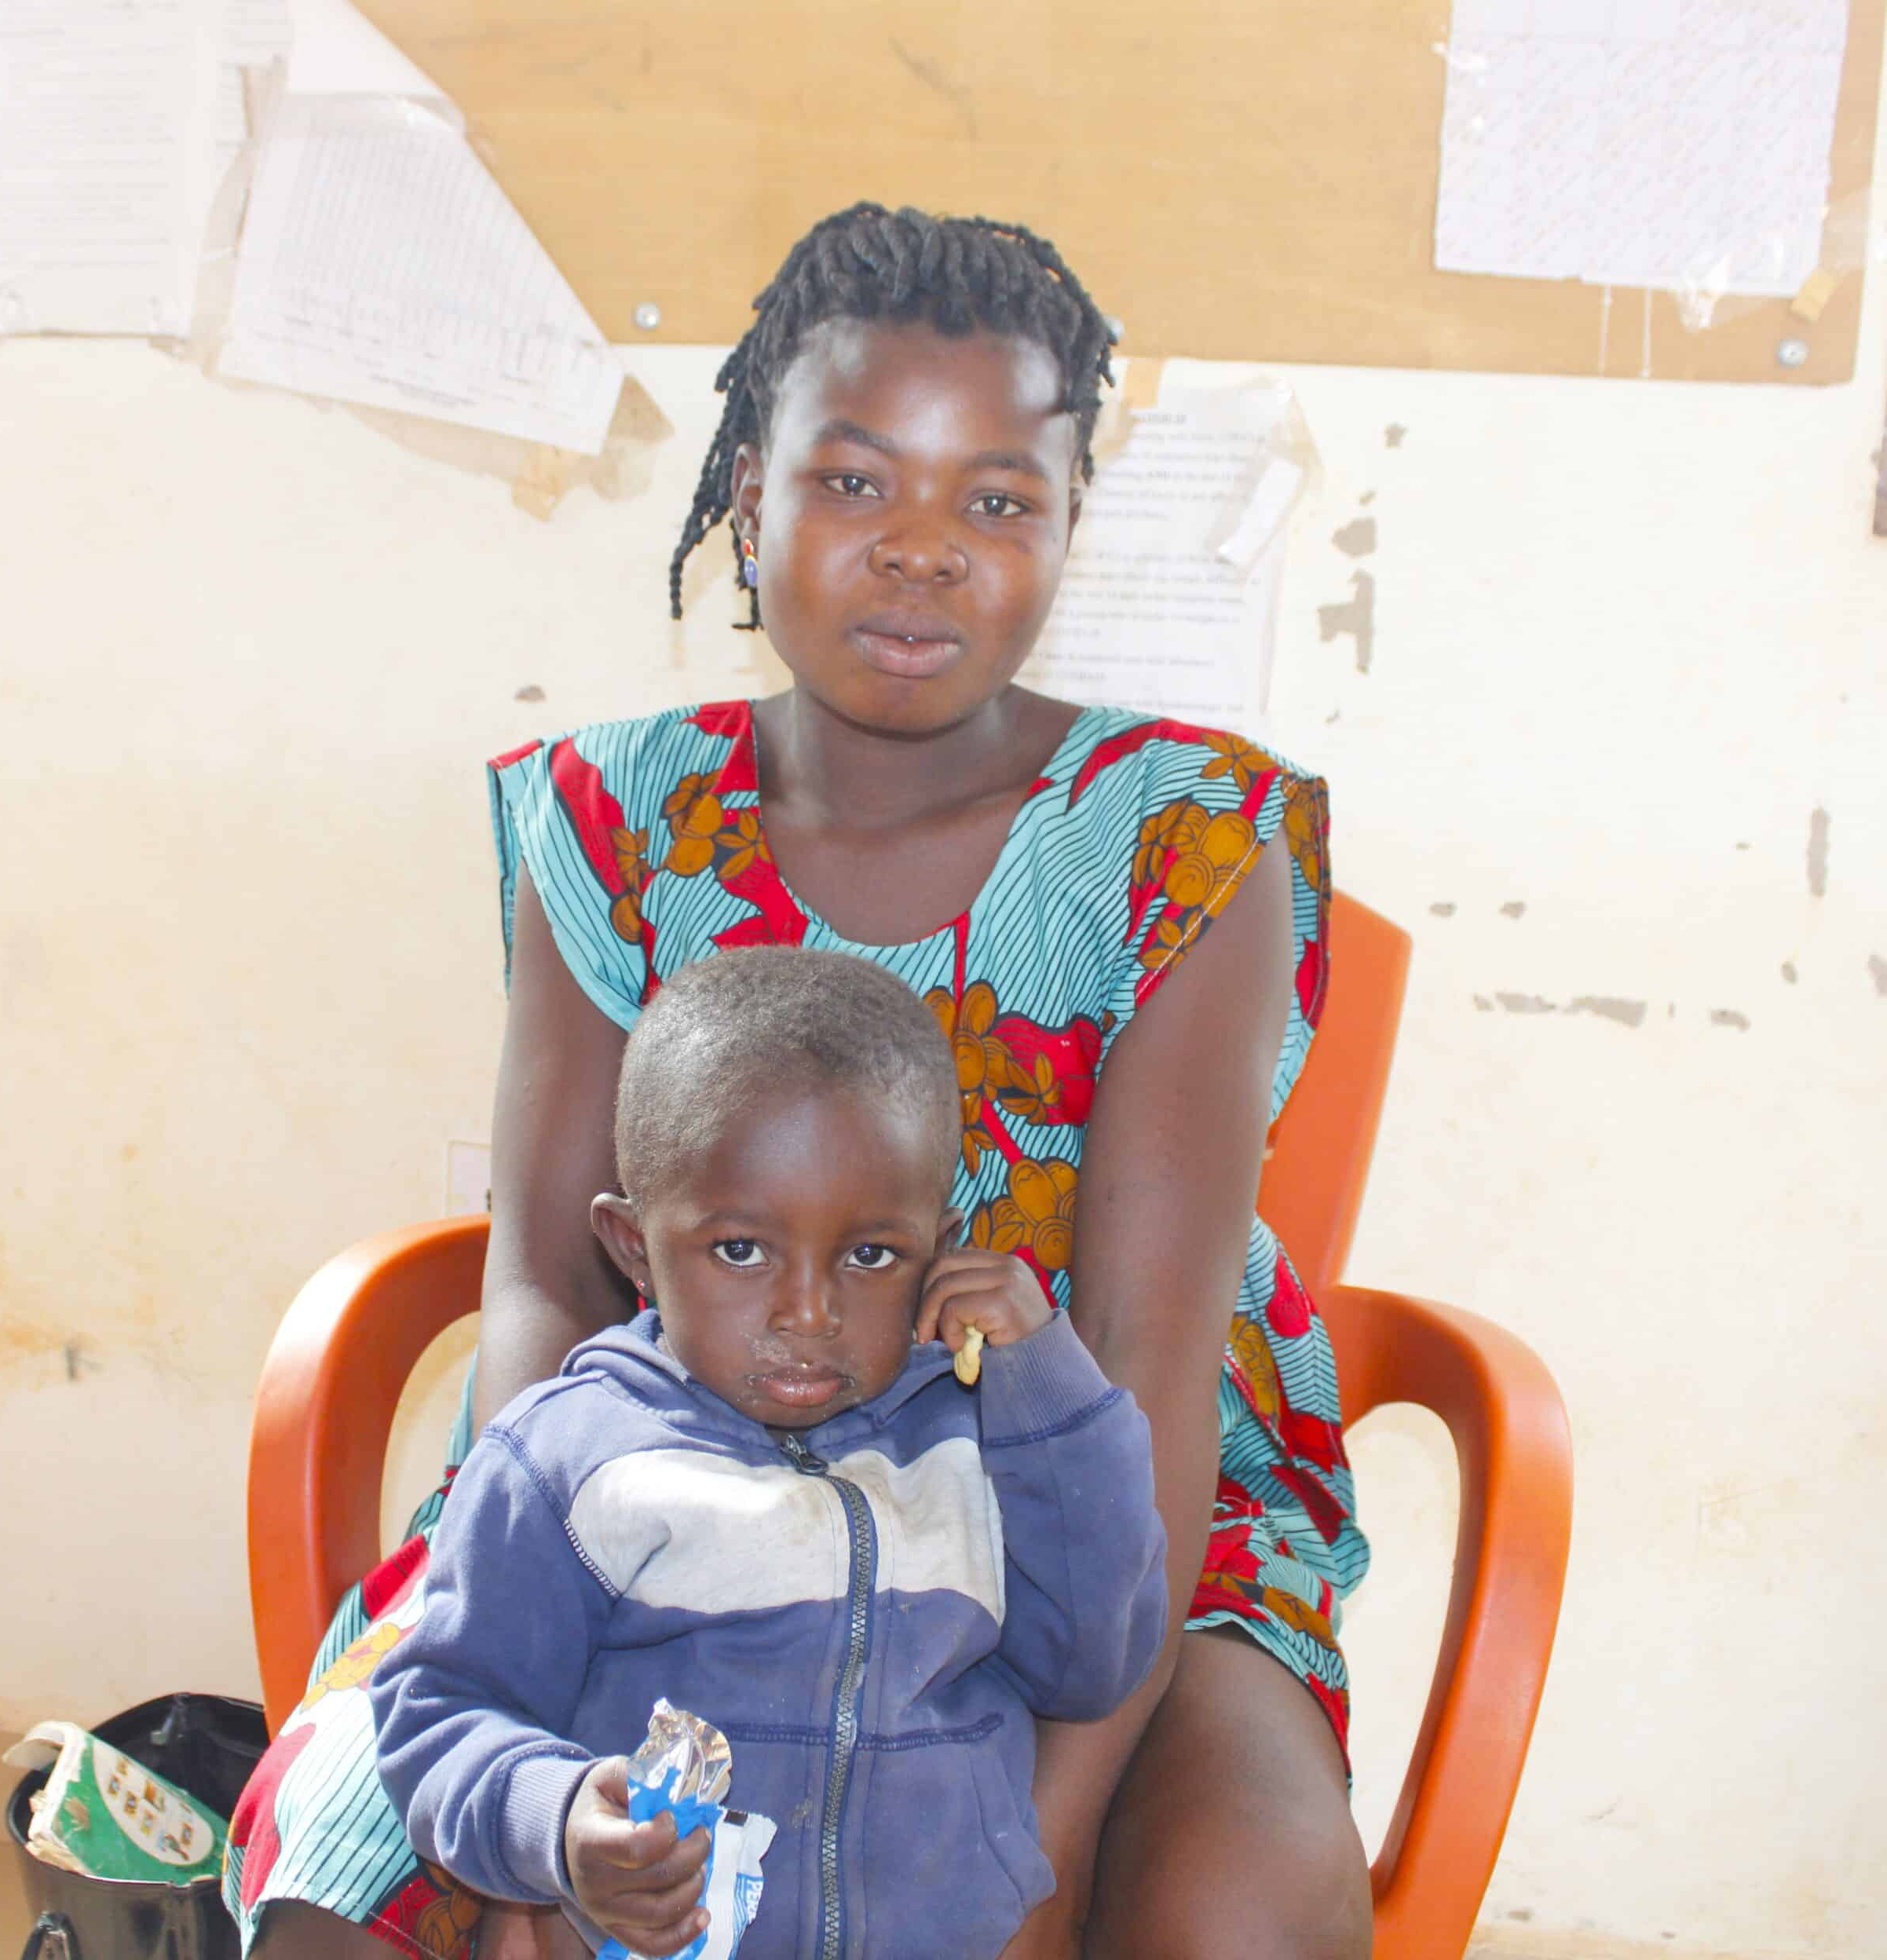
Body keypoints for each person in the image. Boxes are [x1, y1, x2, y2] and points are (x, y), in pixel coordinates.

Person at [226, 201, 1373, 1960]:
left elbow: (1144, 1375)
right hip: (649, 1473)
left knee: (1242, 1912)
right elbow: (546, 1273)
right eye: (853, 485)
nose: (920, 553)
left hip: (1093, 1522)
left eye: (996, 499)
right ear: (745, 500)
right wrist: (553, 1763)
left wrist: (1025, 1864)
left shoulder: (1183, 843)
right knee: (341, 1885)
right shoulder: (611, 821)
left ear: (1069, 527)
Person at [367, 948, 1171, 1958]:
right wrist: (560, 1820)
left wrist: (1049, 1386)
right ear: (632, 1247)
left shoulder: (972, 1443)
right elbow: (439, 1709)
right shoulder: (573, 1459)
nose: (808, 1312)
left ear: (940, 1243)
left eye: (870, 1255)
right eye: (740, 1250)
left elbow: (1092, 1665)